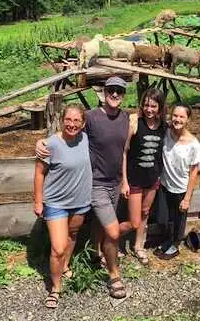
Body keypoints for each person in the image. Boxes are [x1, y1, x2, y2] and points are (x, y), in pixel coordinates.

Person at [36, 76, 129, 299]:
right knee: (112, 231)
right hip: (90, 187)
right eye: (110, 90)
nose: (114, 94)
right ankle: (113, 275)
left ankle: (86, 257)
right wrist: (40, 142)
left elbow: (144, 125)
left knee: (78, 230)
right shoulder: (92, 118)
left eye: (119, 90)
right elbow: (64, 135)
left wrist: (124, 180)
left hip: (103, 188)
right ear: (103, 92)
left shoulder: (126, 118)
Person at [34, 104, 92, 308]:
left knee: (73, 234)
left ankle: (65, 265)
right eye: (68, 120)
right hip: (56, 202)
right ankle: (55, 288)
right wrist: (38, 201)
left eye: (77, 120)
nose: (72, 124)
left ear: (83, 123)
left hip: (80, 200)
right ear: (61, 120)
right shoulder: (51, 144)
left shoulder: (86, 138)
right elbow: (39, 172)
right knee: (58, 248)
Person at [120, 88, 167, 265]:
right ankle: (110, 239)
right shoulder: (135, 123)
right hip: (134, 179)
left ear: (160, 107)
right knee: (133, 221)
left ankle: (139, 245)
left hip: (152, 179)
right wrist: (124, 181)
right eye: (146, 105)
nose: (149, 109)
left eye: (153, 106)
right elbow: (124, 152)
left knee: (145, 212)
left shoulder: (163, 126)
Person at [153, 103, 200, 260]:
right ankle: (167, 240)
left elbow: (194, 171)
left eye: (182, 116)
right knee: (162, 217)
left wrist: (187, 198)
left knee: (178, 220)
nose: (177, 119)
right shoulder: (166, 133)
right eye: (175, 115)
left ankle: (175, 244)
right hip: (164, 185)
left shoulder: (193, 144)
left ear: (188, 119)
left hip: (181, 188)